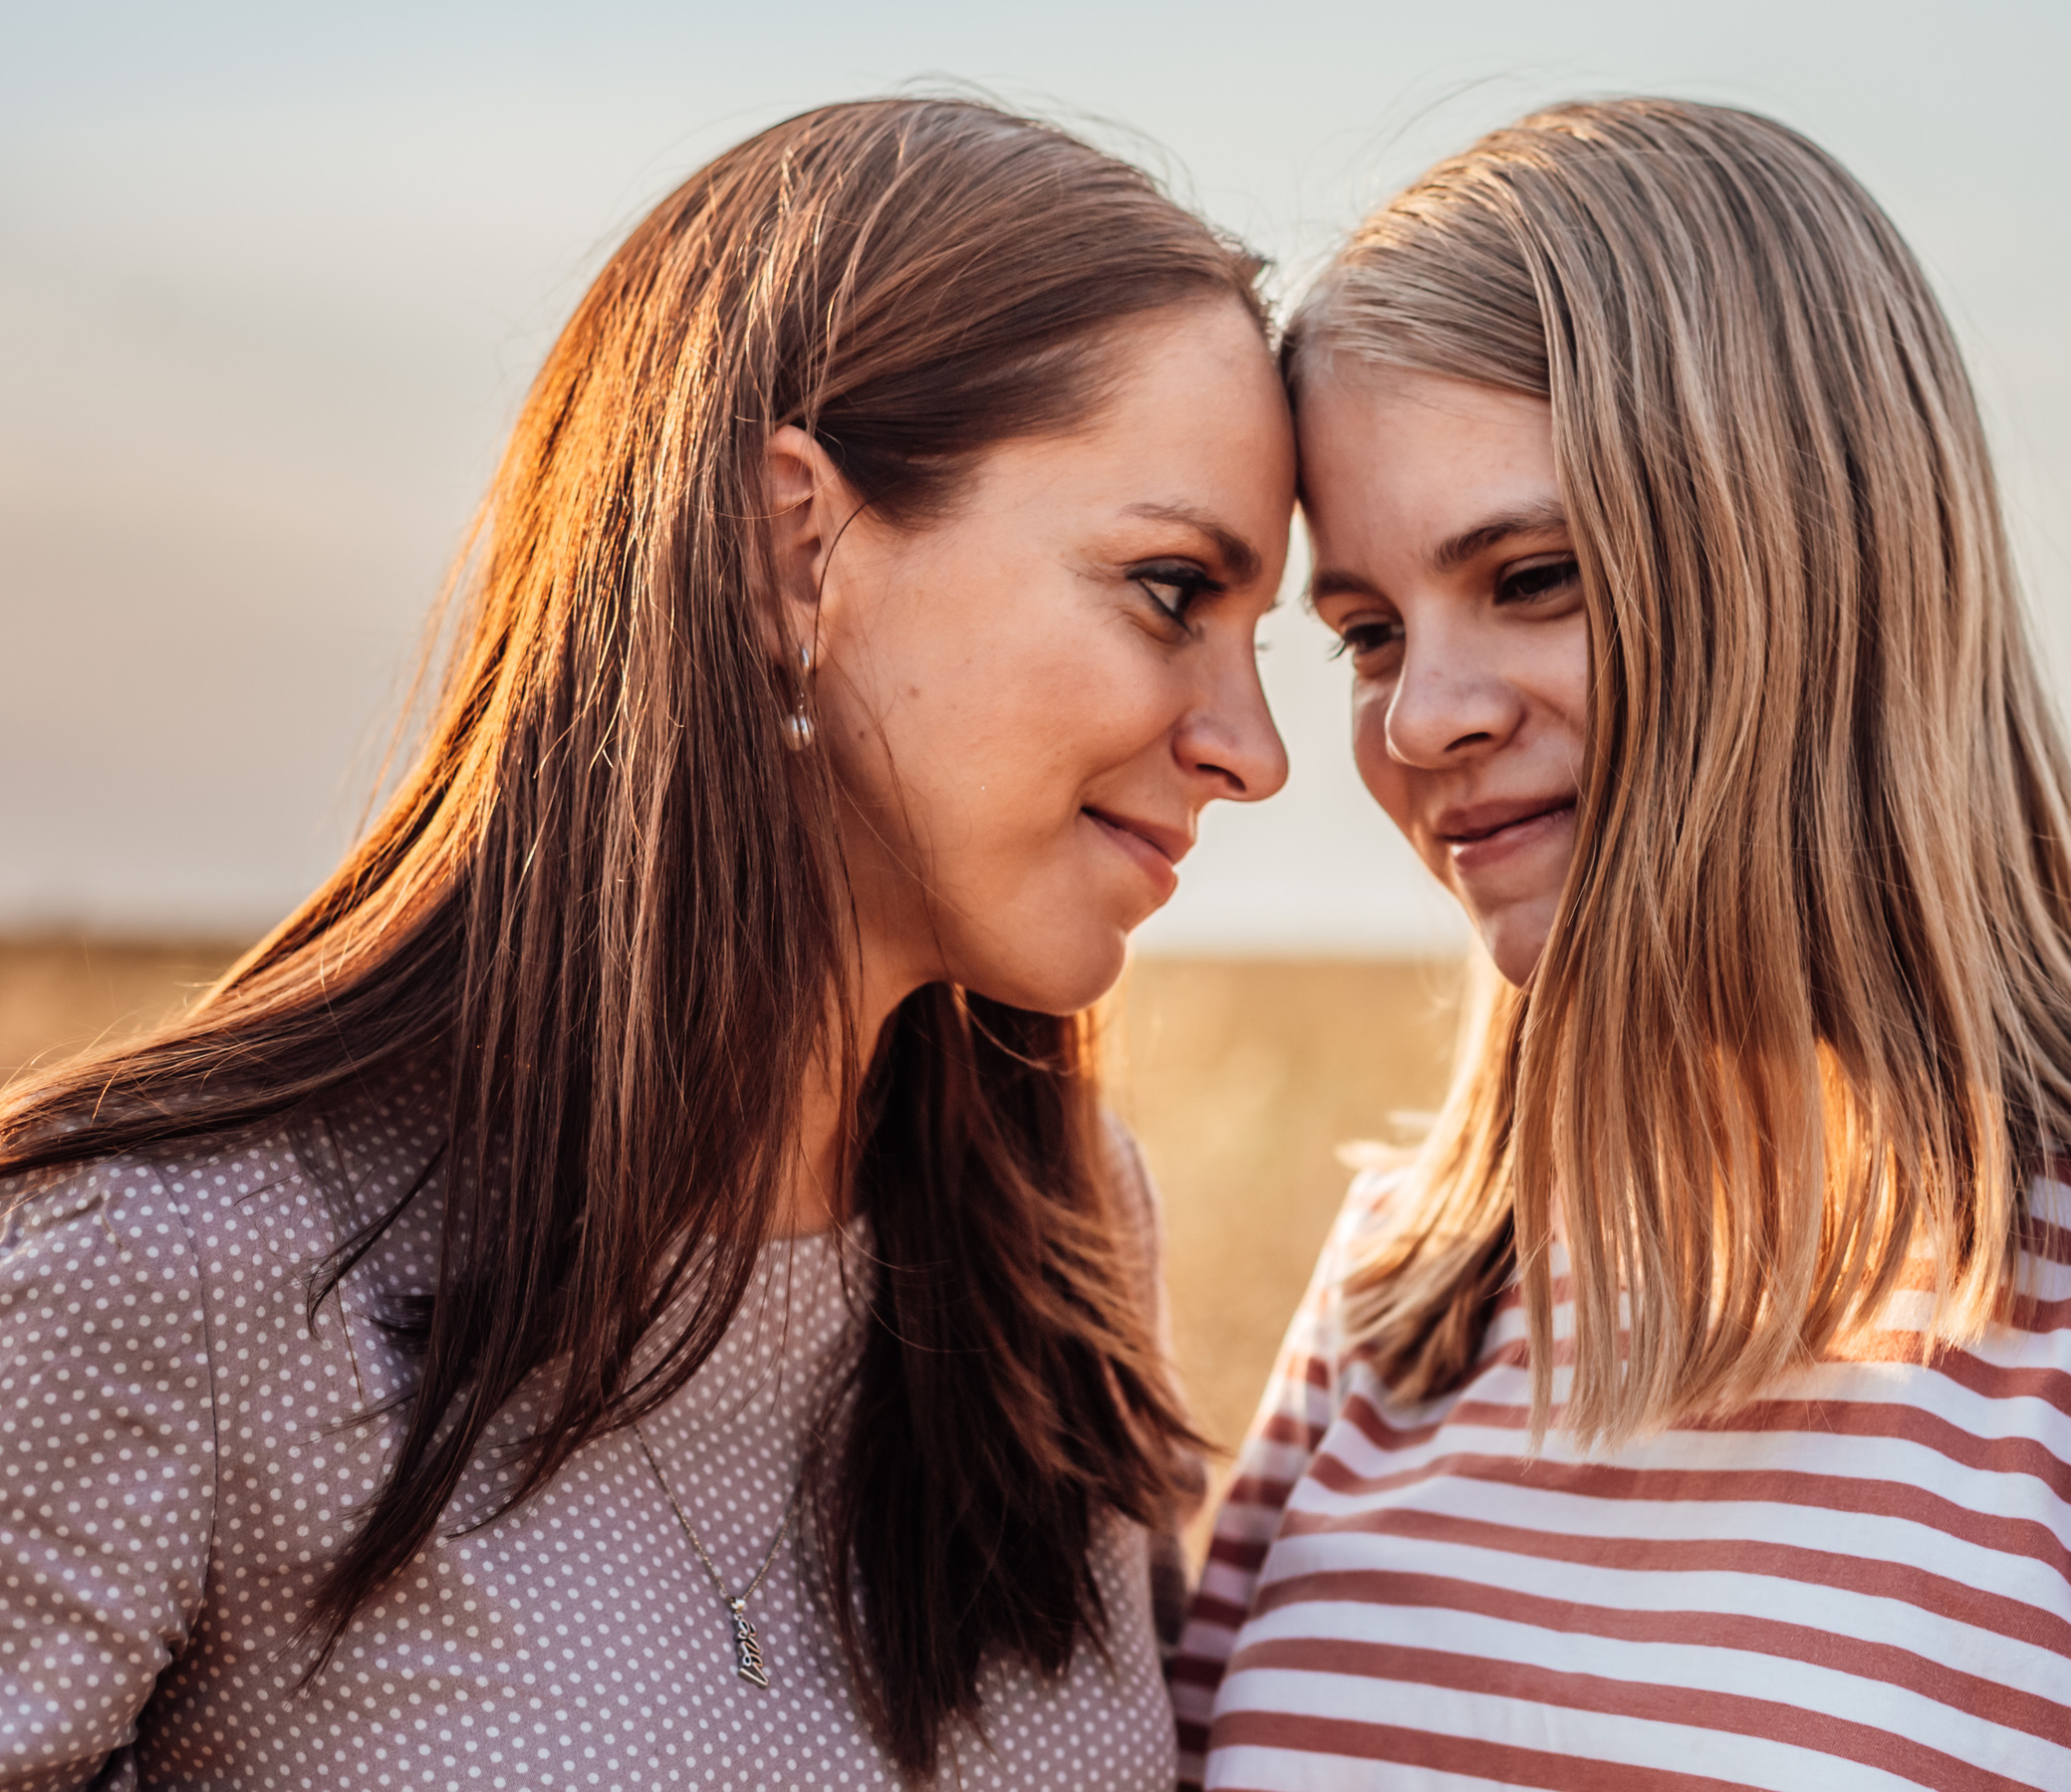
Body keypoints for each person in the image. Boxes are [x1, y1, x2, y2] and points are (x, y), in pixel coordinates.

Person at [1175, 99, 2071, 1789]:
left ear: (1805, 573)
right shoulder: (1405, 1289)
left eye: (1534, 576)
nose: (1421, 722)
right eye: (1372, 634)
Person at [0, 97, 1292, 1791]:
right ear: (794, 548)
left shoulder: (1059, 1237)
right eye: (1173, 590)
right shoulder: (158, 1273)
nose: (1254, 747)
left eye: (1272, 636)